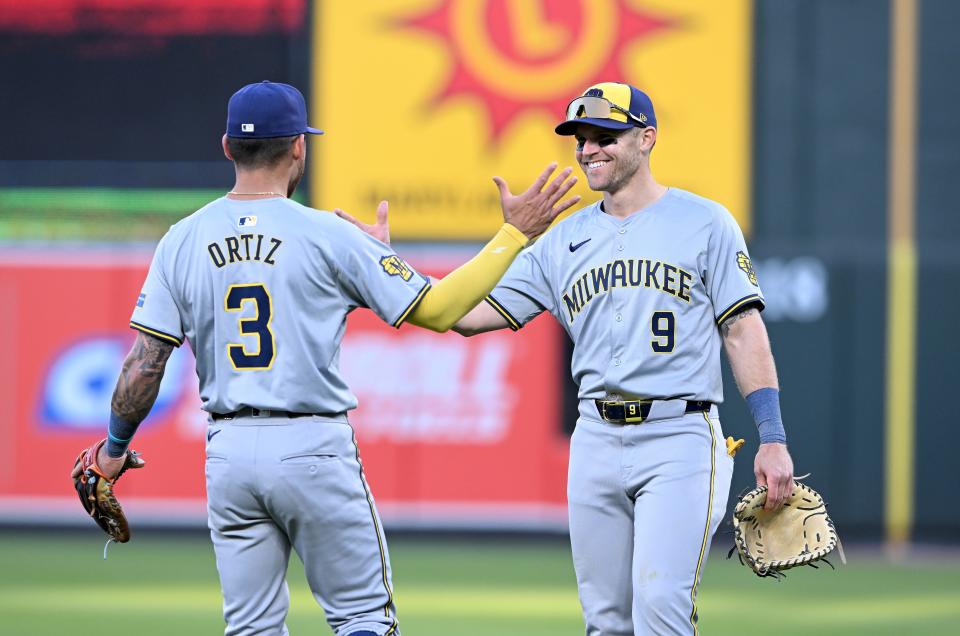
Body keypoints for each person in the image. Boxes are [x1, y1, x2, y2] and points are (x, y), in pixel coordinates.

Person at [70, 80, 579, 636]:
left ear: (226, 147)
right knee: (362, 617)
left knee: (251, 627)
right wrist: (514, 234)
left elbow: (144, 365)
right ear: (298, 148)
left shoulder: (181, 240)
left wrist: (113, 449)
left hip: (229, 454)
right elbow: (438, 311)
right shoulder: (326, 233)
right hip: (311, 445)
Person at [455, 82, 795, 635]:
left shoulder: (705, 223)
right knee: (606, 623)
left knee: (660, 607)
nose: (589, 149)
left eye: (605, 136)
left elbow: (741, 329)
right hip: (595, 438)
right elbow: (468, 316)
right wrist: (388, 266)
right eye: (580, 138)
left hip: (678, 435)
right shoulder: (562, 240)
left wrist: (772, 435)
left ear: (647, 138)